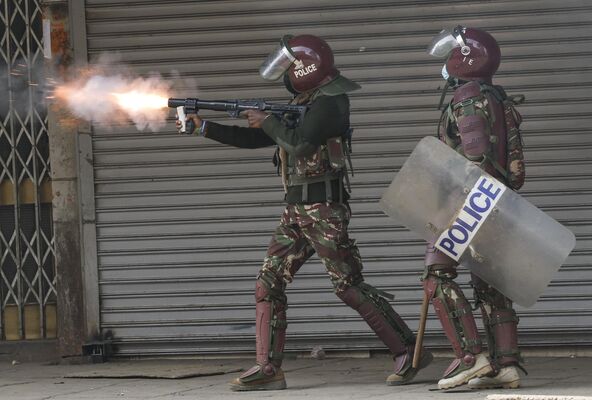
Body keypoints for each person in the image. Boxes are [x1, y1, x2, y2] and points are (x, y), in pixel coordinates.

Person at [177, 34, 432, 391]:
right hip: (296, 211)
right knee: (268, 282)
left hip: (324, 210)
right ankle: (268, 368)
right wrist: (204, 127)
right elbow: (260, 139)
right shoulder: (304, 101)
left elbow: (299, 145)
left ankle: (408, 350)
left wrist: (266, 120)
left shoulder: (331, 102)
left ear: (306, 67)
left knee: (347, 285)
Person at [424, 26, 527, 390]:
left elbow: (475, 156)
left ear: (464, 58)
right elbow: (516, 171)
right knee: (491, 283)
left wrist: (454, 208)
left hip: (470, 200)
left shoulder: (466, 98)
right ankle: (506, 364)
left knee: (436, 275)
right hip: (499, 201)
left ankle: (469, 358)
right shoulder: (500, 100)